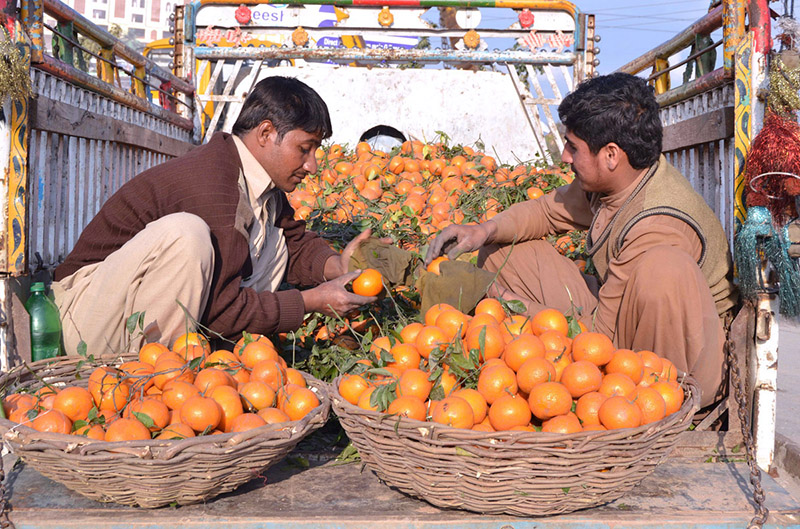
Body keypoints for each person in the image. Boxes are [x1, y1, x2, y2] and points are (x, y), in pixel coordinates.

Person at [425, 73, 737, 408]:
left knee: (662, 269)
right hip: (616, 315)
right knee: (503, 249)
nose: (564, 157)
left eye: (573, 147)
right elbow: (546, 211)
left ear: (611, 155)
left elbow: (600, 339)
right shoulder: (617, 181)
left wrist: (502, 299)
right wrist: (482, 231)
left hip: (681, 354)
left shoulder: (657, 222)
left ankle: (662, 403)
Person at [52, 76, 376, 355]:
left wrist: (339, 266)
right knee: (187, 234)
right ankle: (155, 371)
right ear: (265, 134)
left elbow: (295, 243)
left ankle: (198, 355)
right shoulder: (212, 183)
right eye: (305, 149)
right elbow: (220, 308)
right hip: (88, 319)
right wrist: (308, 301)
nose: (312, 165)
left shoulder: (262, 182)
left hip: (133, 308)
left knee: (274, 238)